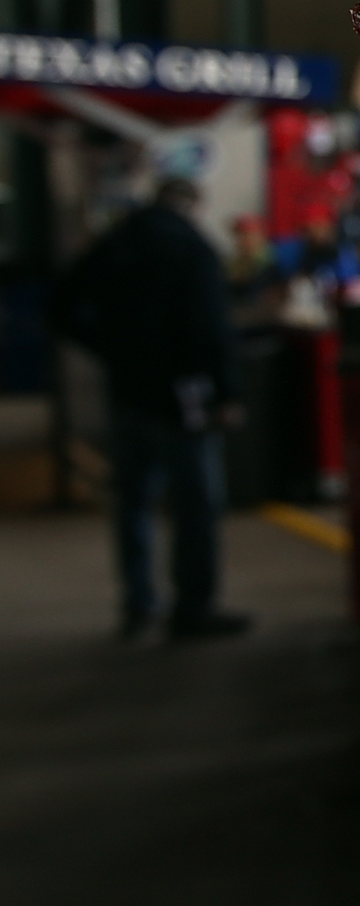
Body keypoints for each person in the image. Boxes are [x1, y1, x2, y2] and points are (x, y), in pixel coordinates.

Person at [53, 174, 250, 638]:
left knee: (134, 502)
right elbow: (208, 327)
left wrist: (110, 350)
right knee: (195, 506)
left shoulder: (115, 244)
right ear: (189, 205)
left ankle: (139, 604)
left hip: (127, 393)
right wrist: (226, 392)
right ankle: (192, 609)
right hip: (183, 398)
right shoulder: (192, 249)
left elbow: (62, 305)